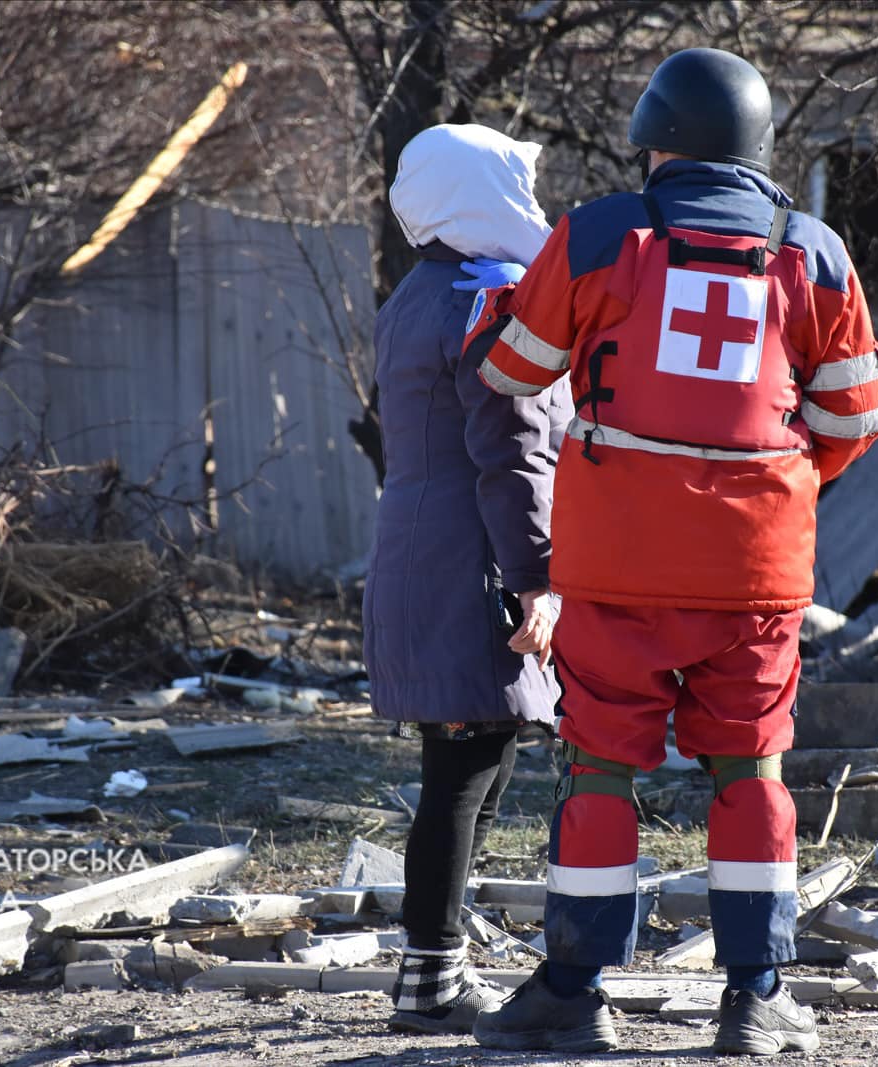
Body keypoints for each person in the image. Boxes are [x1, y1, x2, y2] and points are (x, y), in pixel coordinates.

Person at [460, 48, 878, 1056]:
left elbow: (511, 369)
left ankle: (572, 988)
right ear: (757, 146)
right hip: (755, 572)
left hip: (613, 566)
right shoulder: (817, 251)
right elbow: (852, 418)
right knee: (749, 770)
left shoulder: (602, 231)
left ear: (658, 143)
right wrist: (773, 484)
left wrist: (498, 304)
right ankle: (756, 996)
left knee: (602, 766)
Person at [362, 122, 572, 1035]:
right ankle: (431, 977)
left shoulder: (414, 294)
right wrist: (539, 579)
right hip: (474, 563)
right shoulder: (492, 300)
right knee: (463, 767)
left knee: (475, 762)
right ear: (479, 190)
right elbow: (515, 456)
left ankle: (437, 960)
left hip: (415, 554)